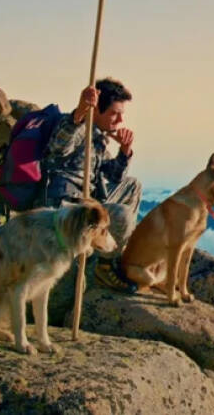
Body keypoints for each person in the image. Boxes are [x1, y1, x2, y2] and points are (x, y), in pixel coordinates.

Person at [44, 77, 141, 292]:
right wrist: (79, 112)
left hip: (89, 202)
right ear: (97, 109)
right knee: (123, 215)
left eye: (121, 114)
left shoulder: (99, 138)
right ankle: (104, 267)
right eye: (115, 113)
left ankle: (107, 251)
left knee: (133, 185)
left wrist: (124, 152)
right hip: (69, 208)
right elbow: (58, 147)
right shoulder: (78, 128)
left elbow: (114, 176)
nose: (119, 120)